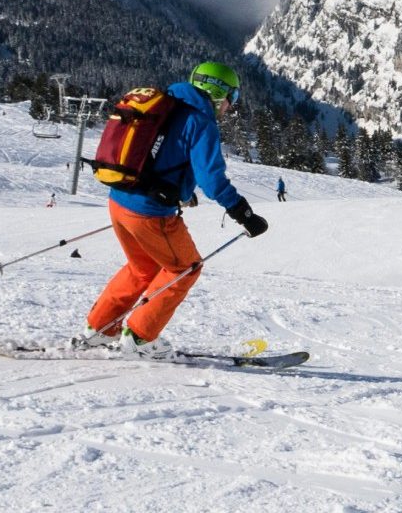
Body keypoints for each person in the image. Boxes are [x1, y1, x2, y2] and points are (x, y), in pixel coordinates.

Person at [86, 61, 268, 352]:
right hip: (149, 214)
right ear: (218, 93)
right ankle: (141, 338)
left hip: (119, 200)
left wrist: (179, 190)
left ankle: (100, 328)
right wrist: (243, 213)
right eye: (231, 98)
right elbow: (212, 181)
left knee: (141, 267)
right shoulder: (200, 121)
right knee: (186, 268)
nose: (231, 107)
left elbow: (160, 155)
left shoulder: (166, 105)